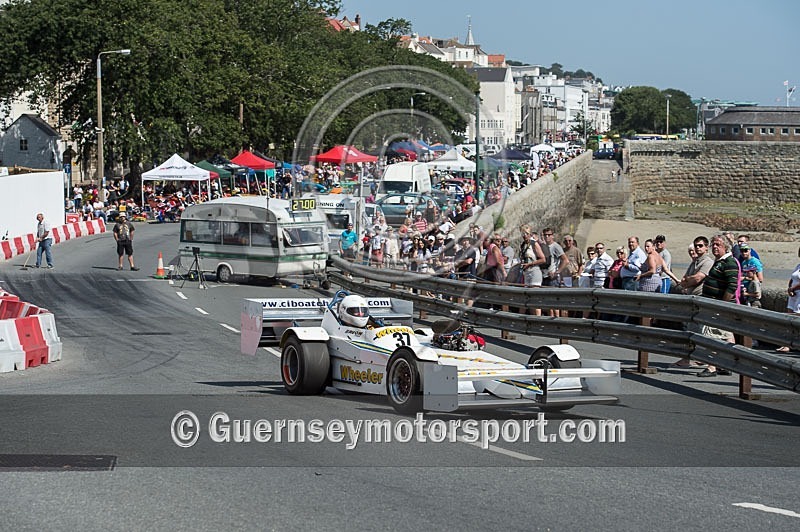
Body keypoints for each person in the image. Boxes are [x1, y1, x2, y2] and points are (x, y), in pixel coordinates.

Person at [696, 234, 739, 377]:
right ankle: (725, 365)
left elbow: (732, 286)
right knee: (726, 336)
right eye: (713, 244)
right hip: (714, 304)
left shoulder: (729, 262)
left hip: (718, 306)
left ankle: (712, 366)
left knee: (711, 336)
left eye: (718, 244)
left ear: (725, 247)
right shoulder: (719, 261)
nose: (714, 247)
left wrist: (721, 305)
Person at [777, 247, 800, 352]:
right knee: (789, 319)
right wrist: (789, 288)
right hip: (793, 295)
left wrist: (793, 288)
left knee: (797, 318)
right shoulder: (798, 266)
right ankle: (787, 344)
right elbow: (792, 278)